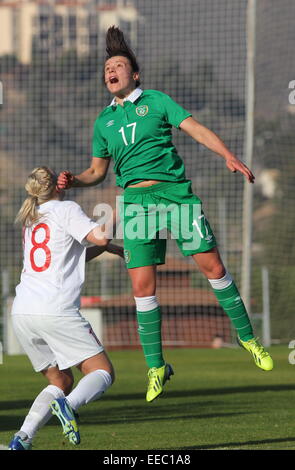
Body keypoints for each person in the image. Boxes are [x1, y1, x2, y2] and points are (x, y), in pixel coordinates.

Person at [57, 26, 273, 404]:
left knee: (213, 268)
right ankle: (156, 366)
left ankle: (248, 338)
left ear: (134, 74)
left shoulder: (156, 101)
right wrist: (74, 180)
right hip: (136, 203)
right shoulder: (103, 122)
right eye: (107, 66)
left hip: (175, 195)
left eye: (119, 64)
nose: (112, 70)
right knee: (142, 288)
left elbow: (197, 130)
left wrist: (227, 154)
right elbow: (97, 173)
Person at [8, 166, 123, 450]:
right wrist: (121, 208)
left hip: (23, 310)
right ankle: (67, 406)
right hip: (54, 308)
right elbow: (101, 236)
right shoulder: (66, 209)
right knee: (102, 372)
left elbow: (69, 258)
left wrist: (107, 249)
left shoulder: (32, 217)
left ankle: (22, 438)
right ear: (56, 186)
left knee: (60, 379)